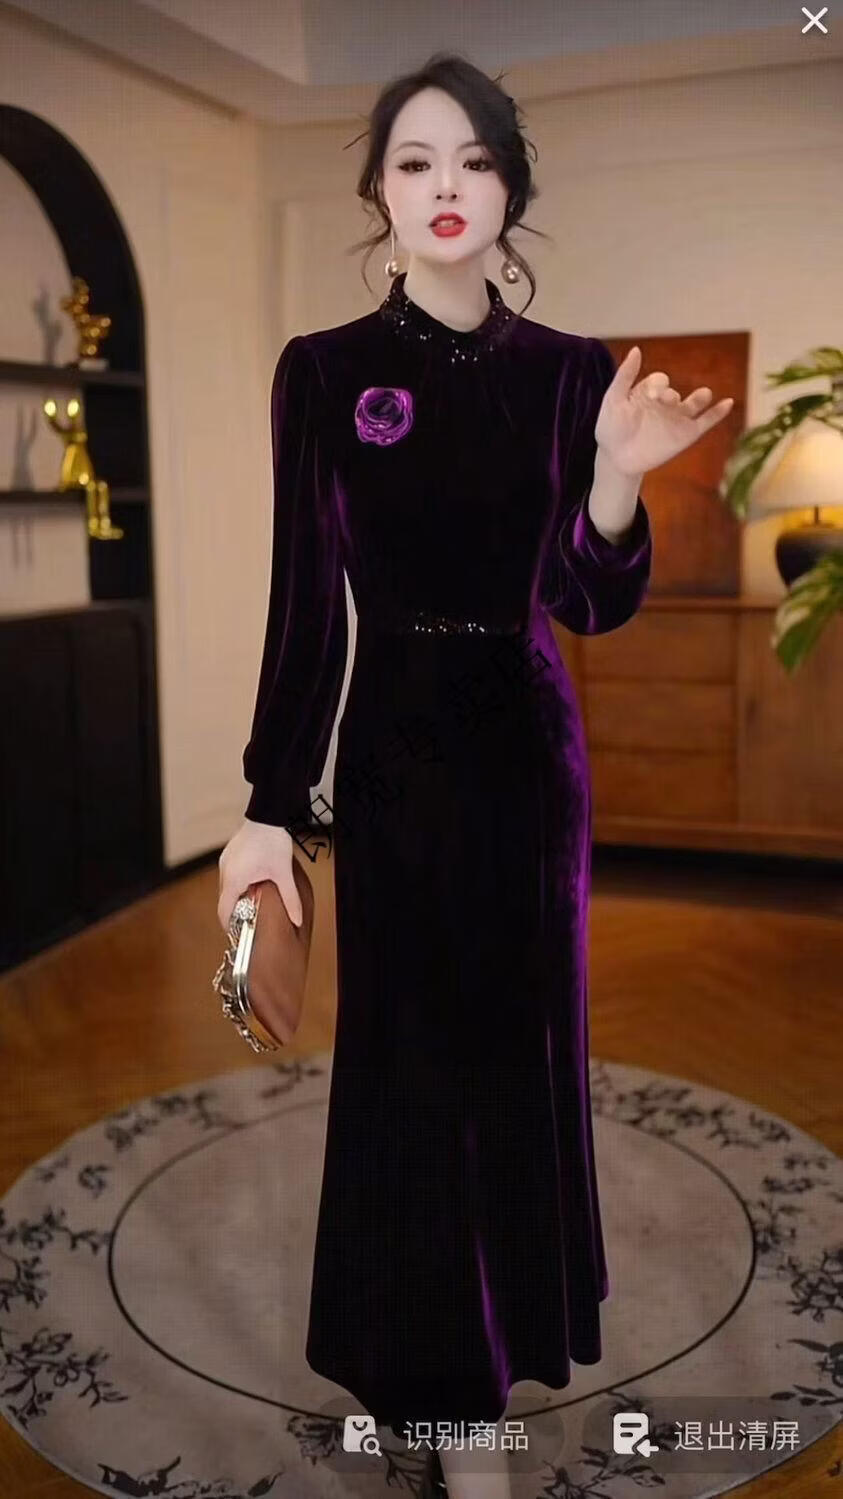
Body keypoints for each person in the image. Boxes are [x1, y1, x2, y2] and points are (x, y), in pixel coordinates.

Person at [217, 52, 734, 1499]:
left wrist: (619, 479)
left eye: (474, 161)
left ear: (511, 189)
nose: (446, 185)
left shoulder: (571, 374)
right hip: (392, 754)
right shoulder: (324, 372)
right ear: (379, 193)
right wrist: (268, 805)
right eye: (415, 161)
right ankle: (429, 1382)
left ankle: (485, 1391)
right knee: (407, 1070)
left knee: (513, 1064)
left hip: (525, 756)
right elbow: (306, 605)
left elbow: (586, 601)